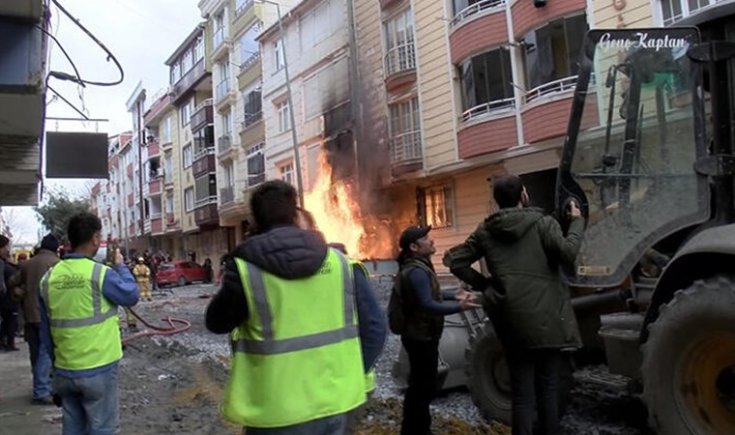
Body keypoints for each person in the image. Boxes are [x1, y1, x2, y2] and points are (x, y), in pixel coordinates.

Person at [205, 180, 386, 434]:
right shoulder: (341, 263)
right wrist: (353, 376)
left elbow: (216, 322)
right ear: (295, 213)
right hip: (337, 402)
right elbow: (376, 328)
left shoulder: (246, 269)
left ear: (255, 221)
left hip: (277, 410)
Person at [443, 174, 584, 435]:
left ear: (497, 201)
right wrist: (576, 222)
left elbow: (455, 260)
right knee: (548, 389)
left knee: (522, 394)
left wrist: (488, 286)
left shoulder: (485, 231)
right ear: (523, 196)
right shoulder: (544, 223)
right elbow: (567, 253)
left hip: (511, 322)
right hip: (547, 319)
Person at [39, 212, 139, 435]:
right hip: (99, 368)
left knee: (73, 427)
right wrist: (121, 267)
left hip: (65, 369)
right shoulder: (100, 274)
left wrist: (55, 367)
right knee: (103, 428)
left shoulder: (49, 278)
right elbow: (131, 296)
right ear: (95, 238)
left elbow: (45, 332)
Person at [396, 225, 480, 435]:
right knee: (421, 388)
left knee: (421, 387)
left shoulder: (418, 267)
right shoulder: (415, 271)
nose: (431, 240)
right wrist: (458, 306)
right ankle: (416, 430)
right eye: (425, 238)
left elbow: (431, 294)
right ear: (414, 247)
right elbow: (428, 304)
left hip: (421, 335)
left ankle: (416, 429)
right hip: (420, 337)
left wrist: (454, 294)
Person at [8, 234, 60, 405]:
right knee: (46, 354)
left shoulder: (28, 264)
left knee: (36, 353)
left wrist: (22, 292)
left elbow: (12, 282)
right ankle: (42, 390)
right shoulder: (56, 264)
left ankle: (40, 386)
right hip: (47, 315)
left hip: (29, 315)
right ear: (56, 248)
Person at [0, 234, 20, 351]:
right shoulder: (3, 264)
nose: (7, 250)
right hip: (6, 299)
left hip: (6, 300)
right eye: (5, 247)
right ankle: (8, 342)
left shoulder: (5, 262)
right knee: (9, 321)